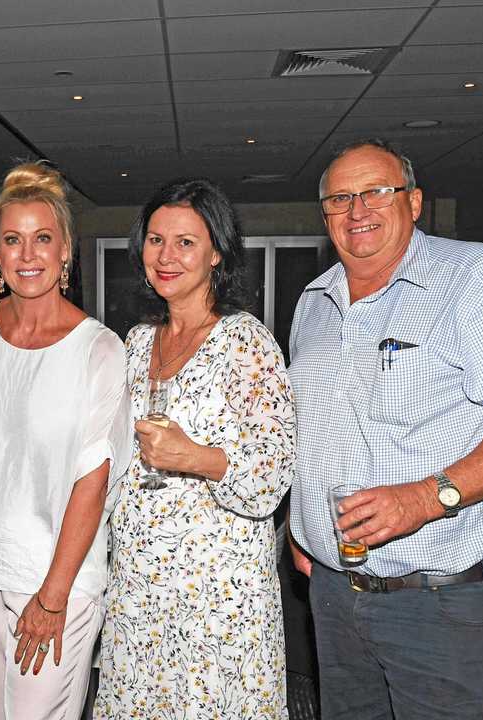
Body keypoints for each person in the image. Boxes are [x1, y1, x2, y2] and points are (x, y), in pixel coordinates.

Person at [286, 138, 483, 720]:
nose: (357, 211)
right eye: (339, 199)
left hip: (439, 598)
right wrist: (302, 529)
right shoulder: (314, 302)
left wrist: (427, 497)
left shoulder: (478, 279)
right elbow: (313, 428)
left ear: (414, 201)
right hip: (333, 592)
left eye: (376, 191)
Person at [0, 161, 131, 720]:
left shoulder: (97, 349)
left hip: (51, 578)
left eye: (42, 238)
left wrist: (52, 598)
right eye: (12, 240)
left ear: (66, 249)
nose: (27, 254)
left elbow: (93, 482)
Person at [95, 177, 296, 719]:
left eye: (185, 242)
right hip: (139, 586)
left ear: (216, 254)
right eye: (156, 240)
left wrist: (196, 457)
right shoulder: (137, 342)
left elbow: (273, 475)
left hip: (217, 596)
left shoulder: (245, 341)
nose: (166, 256)